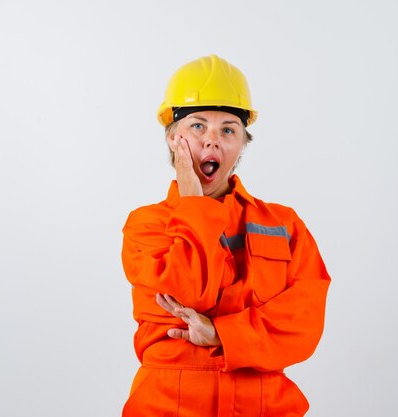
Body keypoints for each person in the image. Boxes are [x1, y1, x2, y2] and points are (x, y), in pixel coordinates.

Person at [121, 54, 331, 417]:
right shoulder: (146, 225)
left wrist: (221, 334)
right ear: (173, 138)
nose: (212, 141)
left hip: (266, 406)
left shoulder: (284, 224)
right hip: (167, 406)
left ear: (242, 145)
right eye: (198, 126)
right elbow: (189, 291)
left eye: (228, 129)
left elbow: (302, 324)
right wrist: (193, 202)